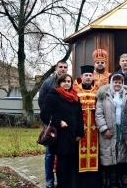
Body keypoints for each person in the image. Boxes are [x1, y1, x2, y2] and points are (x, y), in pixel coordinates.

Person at [40, 74, 84, 188]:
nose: (67, 83)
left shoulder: (75, 97)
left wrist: (79, 133)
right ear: (59, 82)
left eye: (69, 81)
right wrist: (58, 122)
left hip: (72, 135)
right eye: (64, 81)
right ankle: (61, 185)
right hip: (60, 135)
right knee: (62, 161)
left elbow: (79, 116)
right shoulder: (53, 95)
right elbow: (44, 115)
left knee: (70, 161)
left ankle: (69, 184)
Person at [96, 74, 127, 188]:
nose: (117, 84)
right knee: (108, 154)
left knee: (120, 154)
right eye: (115, 82)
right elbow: (98, 114)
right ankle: (108, 180)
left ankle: (119, 179)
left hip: (122, 129)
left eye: (119, 82)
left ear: (123, 84)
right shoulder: (104, 95)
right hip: (109, 130)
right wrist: (104, 129)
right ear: (111, 83)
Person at [38, 60, 68, 188]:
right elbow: (41, 102)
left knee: (63, 154)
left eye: (65, 67)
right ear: (56, 68)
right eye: (60, 67)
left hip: (65, 125)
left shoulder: (69, 81)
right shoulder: (47, 83)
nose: (63, 69)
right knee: (49, 154)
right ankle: (49, 180)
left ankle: (62, 180)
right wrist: (50, 118)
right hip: (51, 124)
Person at [73, 65, 102, 188]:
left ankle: (94, 184)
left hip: (95, 130)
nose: (88, 77)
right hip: (80, 129)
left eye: (90, 75)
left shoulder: (98, 90)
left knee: (96, 155)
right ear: (81, 77)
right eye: (86, 75)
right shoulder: (75, 90)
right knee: (77, 156)